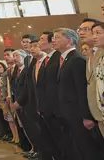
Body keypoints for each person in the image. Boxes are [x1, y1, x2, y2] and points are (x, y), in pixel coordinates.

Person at [53, 27, 104, 159]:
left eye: (57, 37)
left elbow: (81, 89)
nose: (53, 40)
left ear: (69, 41)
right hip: (70, 114)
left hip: (79, 115)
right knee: (79, 147)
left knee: (88, 149)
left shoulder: (76, 59)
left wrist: (86, 116)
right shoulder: (65, 59)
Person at [35, 31, 64, 160]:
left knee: (62, 141)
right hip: (46, 109)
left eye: (41, 39)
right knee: (53, 139)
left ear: (51, 42)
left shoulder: (58, 57)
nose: (38, 42)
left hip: (57, 109)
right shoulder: (46, 60)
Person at [88, 24, 104, 142]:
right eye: (93, 33)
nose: (94, 36)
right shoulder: (99, 55)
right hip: (100, 110)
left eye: (98, 33)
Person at [1, 49, 19, 146]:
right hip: (8, 98)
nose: (6, 57)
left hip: (17, 99)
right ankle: (15, 137)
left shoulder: (18, 68)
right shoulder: (8, 70)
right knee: (10, 119)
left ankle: (19, 139)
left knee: (18, 121)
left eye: (8, 55)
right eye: (4, 55)